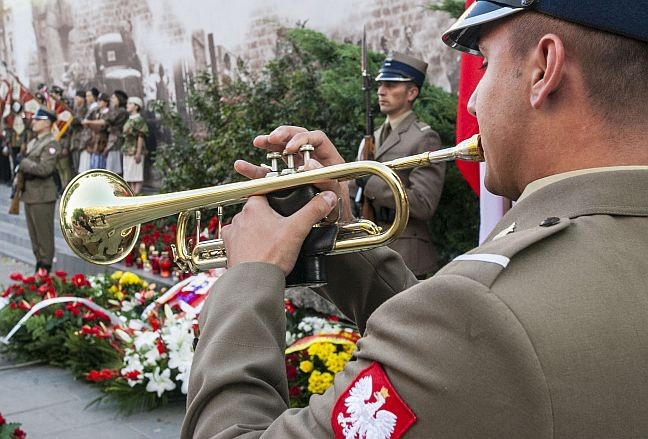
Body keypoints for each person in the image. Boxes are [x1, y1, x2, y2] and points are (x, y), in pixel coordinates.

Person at [182, 1, 648, 438]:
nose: (471, 103)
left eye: (484, 65)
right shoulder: (486, 312)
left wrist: (248, 275)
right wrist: (335, 227)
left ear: (544, 69)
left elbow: (473, 330)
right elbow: (466, 351)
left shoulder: (478, 312)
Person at [351, 51, 444, 278]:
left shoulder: (424, 138)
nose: (382, 91)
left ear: (412, 92)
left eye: (391, 85)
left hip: (407, 253)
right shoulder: (370, 139)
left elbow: (423, 204)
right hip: (372, 247)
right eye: (381, 84)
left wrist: (371, 181)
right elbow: (353, 190)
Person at [15, 108, 60, 274]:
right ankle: (38, 268)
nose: (33, 122)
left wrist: (23, 162)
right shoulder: (35, 142)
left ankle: (45, 271)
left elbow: (44, 169)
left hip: (42, 195)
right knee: (35, 238)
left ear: (47, 123)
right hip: (30, 194)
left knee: (44, 238)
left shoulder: (51, 144)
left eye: (37, 119)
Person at [122, 96, 148, 194]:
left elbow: (140, 136)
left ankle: (136, 194)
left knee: (137, 175)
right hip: (127, 150)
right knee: (130, 175)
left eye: (130, 104)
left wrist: (138, 152)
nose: (127, 105)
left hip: (135, 150)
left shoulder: (139, 120)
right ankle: (132, 194)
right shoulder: (130, 119)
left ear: (136, 106)